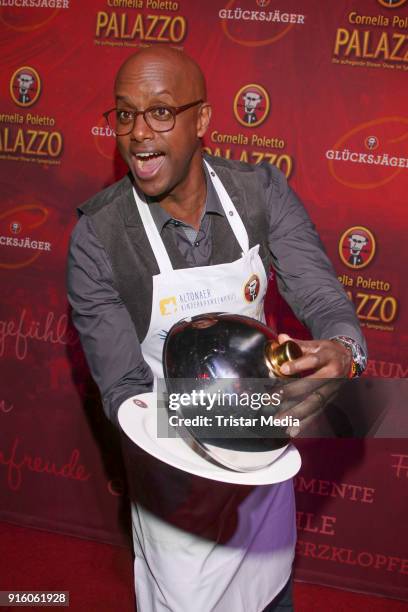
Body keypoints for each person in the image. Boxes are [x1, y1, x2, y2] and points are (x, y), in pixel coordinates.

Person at [67, 47, 366, 612]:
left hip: (260, 465)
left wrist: (345, 351)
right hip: (170, 477)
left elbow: (324, 299)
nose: (138, 133)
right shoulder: (98, 238)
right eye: (124, 114)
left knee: (270, 595)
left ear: (202, 120)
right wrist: (213, 422)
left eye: (161, 112)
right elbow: (125, 392)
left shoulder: (261, 193)